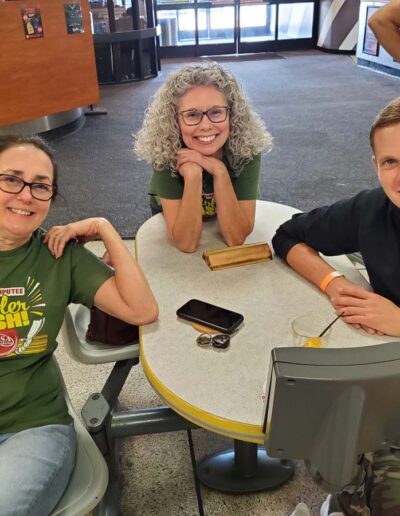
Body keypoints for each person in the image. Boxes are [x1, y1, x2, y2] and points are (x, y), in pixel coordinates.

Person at [0, 134, 158, 516]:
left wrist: (105, 228)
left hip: (32, 426)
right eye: (11, 179)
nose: (25, 195)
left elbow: (141, 310)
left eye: (40, 186)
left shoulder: (58, 256)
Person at [272, 98, 400, 514]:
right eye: (390, 162)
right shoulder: (372, 209)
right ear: (375, 165)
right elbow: (288, 236)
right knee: (331, 451)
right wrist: (333, 281)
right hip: (385, 378)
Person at [134, 62, 272, 253]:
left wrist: (219, 171)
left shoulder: (246, 149)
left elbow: (236, 238)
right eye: (192, 115)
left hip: (224, 211)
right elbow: (186, 244)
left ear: (232, 115)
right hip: (180, 213)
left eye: (216, 112)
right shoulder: (165, 152)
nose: (206, 125)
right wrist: (192, 176)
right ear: (175, 121)